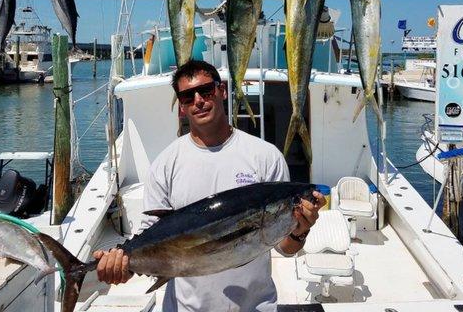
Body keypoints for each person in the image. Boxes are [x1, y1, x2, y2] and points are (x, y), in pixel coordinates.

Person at [94, 59, 325, 311]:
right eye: (187, 97)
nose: (198, 101)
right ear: (181, 106)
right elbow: (153, 242)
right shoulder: (165, 164)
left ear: (221, 91)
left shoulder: (266, 157)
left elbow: (286, 249)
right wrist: (121, 266)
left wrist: (300, 230)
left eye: (206, 91)